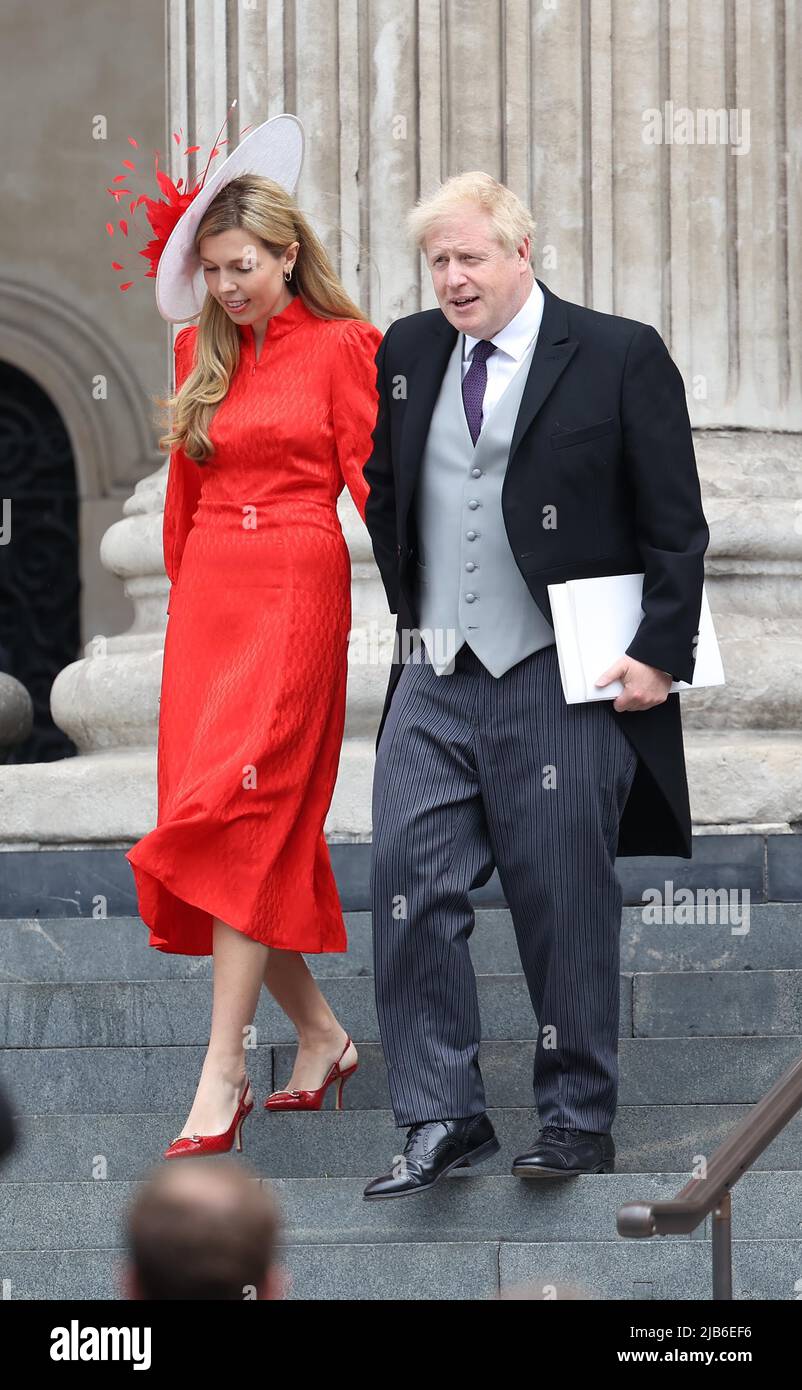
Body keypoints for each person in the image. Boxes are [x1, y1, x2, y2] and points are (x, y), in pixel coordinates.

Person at [361, 171, 709, 1198]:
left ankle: (574, 1121)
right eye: (437, 261)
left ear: (522, 252)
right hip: (433, 669)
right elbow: (388, 491)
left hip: (563, 672)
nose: (452, 278)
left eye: (469, 257)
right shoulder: (408, 351)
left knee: (562, 898)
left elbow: (674, 520)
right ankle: (442, 1113)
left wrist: (659, 651)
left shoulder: (617, 353)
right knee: (406, 879)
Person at [122, 115, 382, 1156]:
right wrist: (186, 615)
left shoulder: (345, 346)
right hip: (211, 607)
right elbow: (183, 502)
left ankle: (223, 1067)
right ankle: (321, 1035)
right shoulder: (199, 348)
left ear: (288, 255)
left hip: (296, 588)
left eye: (246, 267)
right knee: (215, 823)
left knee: (242, 816)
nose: (229, 286)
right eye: (216, 269)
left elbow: (376, 484)